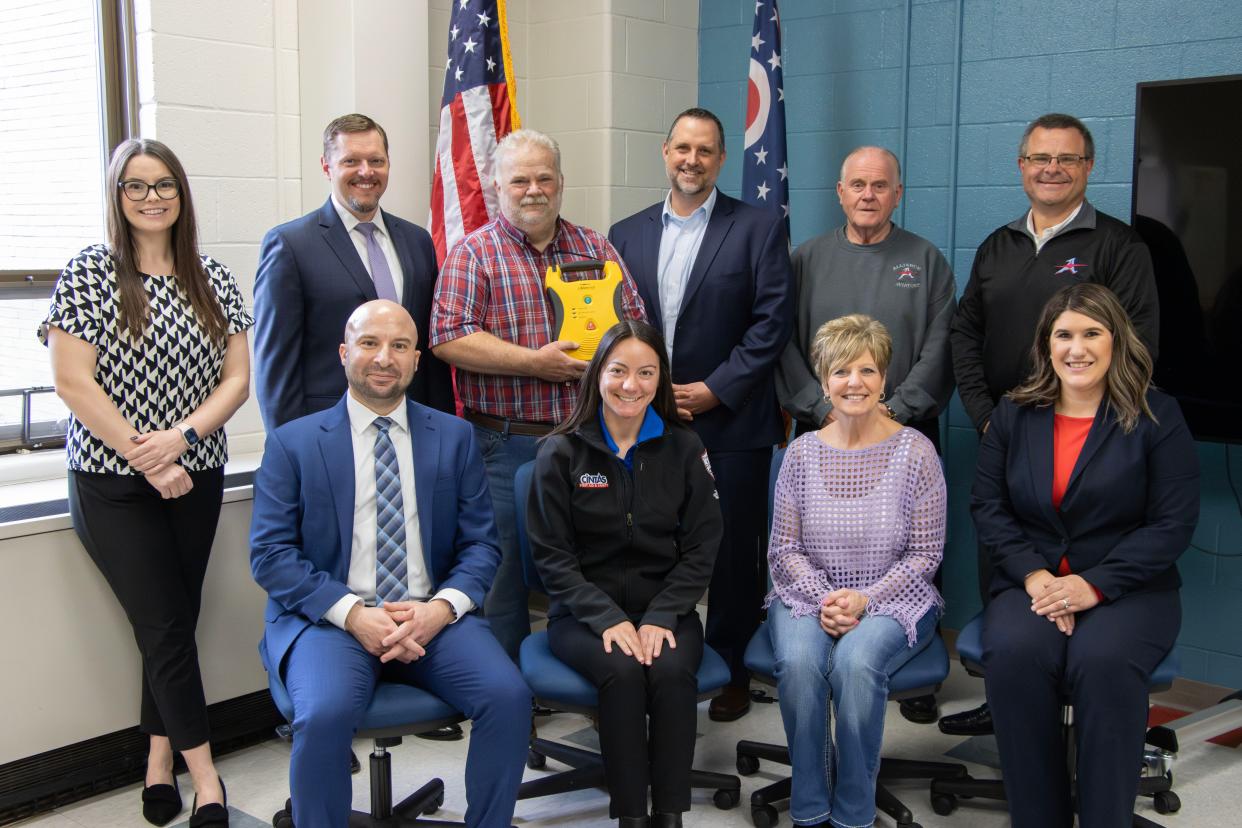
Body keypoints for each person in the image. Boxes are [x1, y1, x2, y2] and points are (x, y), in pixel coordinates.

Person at [249, 300, 531, 828]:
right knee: (324, 714)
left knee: (509, 697)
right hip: (332, 621)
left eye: (400, 345)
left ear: (417, 360)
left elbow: (481, 546)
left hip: (432, 618)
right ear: (344, 353)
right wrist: (354, 613)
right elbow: (270, 555)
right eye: (370, 343)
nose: (384, 357)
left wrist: (442, 610)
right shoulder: (294, 443)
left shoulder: (454, 436)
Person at [42, 138, 252, 827]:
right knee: (163, 626)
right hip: (111, 480)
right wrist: (149, 458)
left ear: (181, 194)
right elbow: (72, 382)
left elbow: (237, 380)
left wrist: (182, 442)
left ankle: (158, 759)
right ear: (117, 195)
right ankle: (207, 777)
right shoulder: (88, 273)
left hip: (199, 471)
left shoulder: (212, 277)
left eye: (164, 185)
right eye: (135, 186)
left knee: (173, 621)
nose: (152, 197)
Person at [942, 112, 1160, 736]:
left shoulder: (1118, 246)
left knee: (1081, 558)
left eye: (1067, 159)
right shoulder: (998, 245)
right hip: (1006, 438)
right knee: (1005, 565)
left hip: (1085, 441)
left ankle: (1083, 705)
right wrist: (988, 418)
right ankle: (1007, 699)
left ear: (1089, 168)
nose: (1052, 169)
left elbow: (1139, 342)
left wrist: (1095, 428)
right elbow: (966, 333)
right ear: (1021, 166)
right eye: (1040, 158)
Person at [975, 283, 1198, 827]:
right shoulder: (1013, 415)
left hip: (1129, 589)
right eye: (1064, 335)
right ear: (1045, 345)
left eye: (1092, 333)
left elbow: (1172, 524)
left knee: (1102, 663)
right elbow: (988, 506)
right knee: (1014, 654)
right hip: (1032, 583)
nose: (1077, 348)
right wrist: (1033, 576)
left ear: (1116, 340)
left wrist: (1091, 585)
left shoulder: (1156, 416)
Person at [430, 128, 646, 661]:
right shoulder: (473, 254)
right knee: (501, 572)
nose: (533, 189)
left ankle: (594, 682)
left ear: (561, 183)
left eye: (544, 178)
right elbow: (448, 338)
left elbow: (636, 326)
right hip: (505, 446)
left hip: (590, 443)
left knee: (594, 564)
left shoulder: (596, 247)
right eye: (520, 179)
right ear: (498, 186)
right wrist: (536, 364)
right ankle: (511, 700)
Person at [609, 107, 793, 720]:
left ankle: (733, 665)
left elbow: (772, 323)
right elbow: (618, 327)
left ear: (720, 159)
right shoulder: (625, 233)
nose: (692, 159)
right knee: (651, 541)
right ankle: (652, 661)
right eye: (682, 147)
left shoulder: (759, 226)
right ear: (666, 152)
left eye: (706, 150)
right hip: (648, 419)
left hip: (731, 419)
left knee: (735, 550)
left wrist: (716, 388)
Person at [776, 146, 955, 724]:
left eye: (880, 185)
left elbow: (940, 346)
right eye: (858, 184)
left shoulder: (925, 260)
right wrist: (823, 410)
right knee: (814, 547)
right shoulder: (805, 260)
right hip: (823, 432)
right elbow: (781, 342)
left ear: (897, 193)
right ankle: (822, 635)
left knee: (907, 549)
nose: (869, 195)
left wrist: (891, 416)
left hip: (901, 434)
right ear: (840, 191)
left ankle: (906, 669)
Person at [527, 321, 721, 828]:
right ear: (598, 375)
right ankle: (632, 816)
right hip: (583, 616)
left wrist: (662, 613)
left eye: (645, 372)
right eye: (618, 371)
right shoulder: (561, 452)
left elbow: (703, 546)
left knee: (674, 673)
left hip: (668, 608)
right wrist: (606, 618)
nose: (630, 385)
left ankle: (670, 813)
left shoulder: (684, 448)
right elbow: (551, 555)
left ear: (660, 380)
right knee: (623, 671)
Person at [766, 314, 944, 828]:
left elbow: (925, 556)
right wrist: (827, 598)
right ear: (824, 381)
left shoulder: (917, 453)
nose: (854, 383)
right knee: (800, 665)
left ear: (884, 378)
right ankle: (808, 808)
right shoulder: (799, 453)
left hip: (897, 599)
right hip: (807, 597)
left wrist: (864, 600)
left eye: (867, 370)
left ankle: (852, 813)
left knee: (856, 665)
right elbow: (784, 549)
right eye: (841, 371)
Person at [254, 113, 453, 431]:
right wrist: (290, 448)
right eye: (351, 161)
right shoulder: (290, 245)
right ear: (326, 166)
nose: (366, 172)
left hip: (411, 429)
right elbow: (276, 366)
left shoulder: (417, 242)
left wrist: (441, 430)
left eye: (376, 160)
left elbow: (427, 356)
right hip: (329, 433)